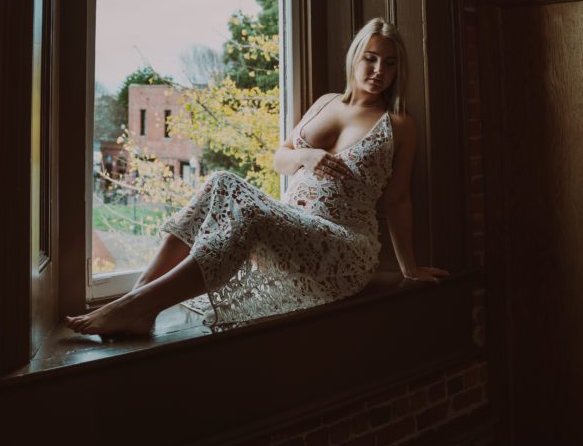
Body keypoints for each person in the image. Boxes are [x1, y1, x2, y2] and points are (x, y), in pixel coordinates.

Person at [66, 18, 447, 338]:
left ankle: (136, 306)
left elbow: (398, 199)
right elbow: (281, 160)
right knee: (220, 181)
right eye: (371, 58)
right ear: (355, 58)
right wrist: (306, 156)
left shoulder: (398, 124)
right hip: (296, 225)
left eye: (391, 64)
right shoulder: (326, 103)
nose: (379, 71)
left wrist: (408, 268)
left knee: (246, 210)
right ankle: (138, 300)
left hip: (344, 244)